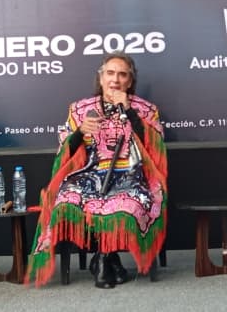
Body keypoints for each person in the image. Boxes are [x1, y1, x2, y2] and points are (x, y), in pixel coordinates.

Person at [26, 53, 167, 289]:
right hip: (87, 175)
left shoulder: (146, 109)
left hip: (130, 176)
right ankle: (110, 261)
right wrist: (80, 132)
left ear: (129, 81)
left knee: (125, 203)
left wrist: (129, 111)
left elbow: (156, 148)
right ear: (101, 78)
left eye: (122, 74)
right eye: (110, 73)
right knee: (65, 199)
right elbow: (64, 150)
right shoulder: (80, 109)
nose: (115, 80)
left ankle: (101, 260)